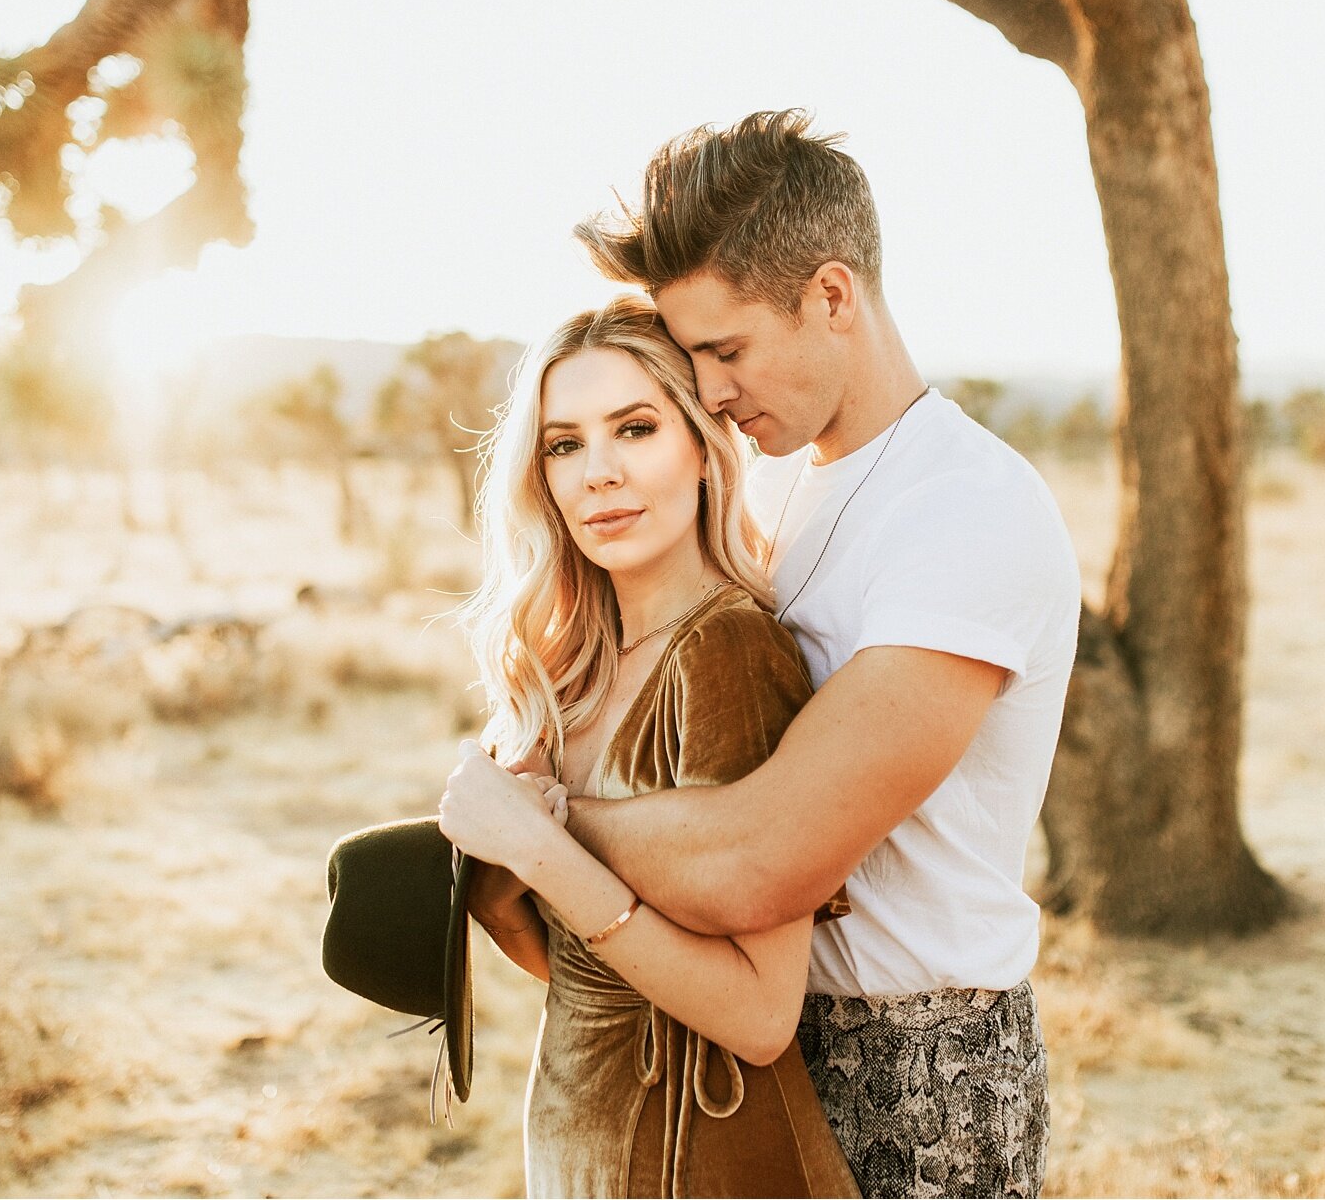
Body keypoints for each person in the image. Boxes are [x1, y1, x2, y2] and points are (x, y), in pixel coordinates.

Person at [557, 110, 1082, 1199]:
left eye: (726, 350)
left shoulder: (965, 511)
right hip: (752, 1035)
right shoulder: (783, 486)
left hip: (919, 1073)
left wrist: (541, 830)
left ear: (831, 295)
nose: (706, 392)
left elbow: (767, 856)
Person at [436, 296, 859, 1199]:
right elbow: (588, 976)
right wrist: (504, 885)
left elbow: (758, 1015)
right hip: (577, 1142)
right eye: (564, 444)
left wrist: (542, 847)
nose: (599, 472)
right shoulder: (570, 674)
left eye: (634, 428)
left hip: (691, 1160)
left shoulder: (729, 653)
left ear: (705, 450)